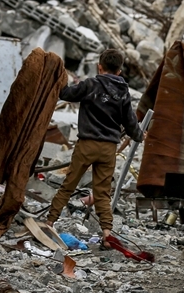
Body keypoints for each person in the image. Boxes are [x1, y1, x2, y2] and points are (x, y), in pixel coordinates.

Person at [46, 49, 144, 242]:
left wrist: (57, 75)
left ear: (99, 67)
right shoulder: (123, 92)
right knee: (102, 193)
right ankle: (107, 233)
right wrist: (140, 136)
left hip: (87, 145)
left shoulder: (90, 85)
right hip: (108, 149)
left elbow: (65, 93)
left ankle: (49, 223)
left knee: (68, 186)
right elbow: (131, 123)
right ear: (119, 70)